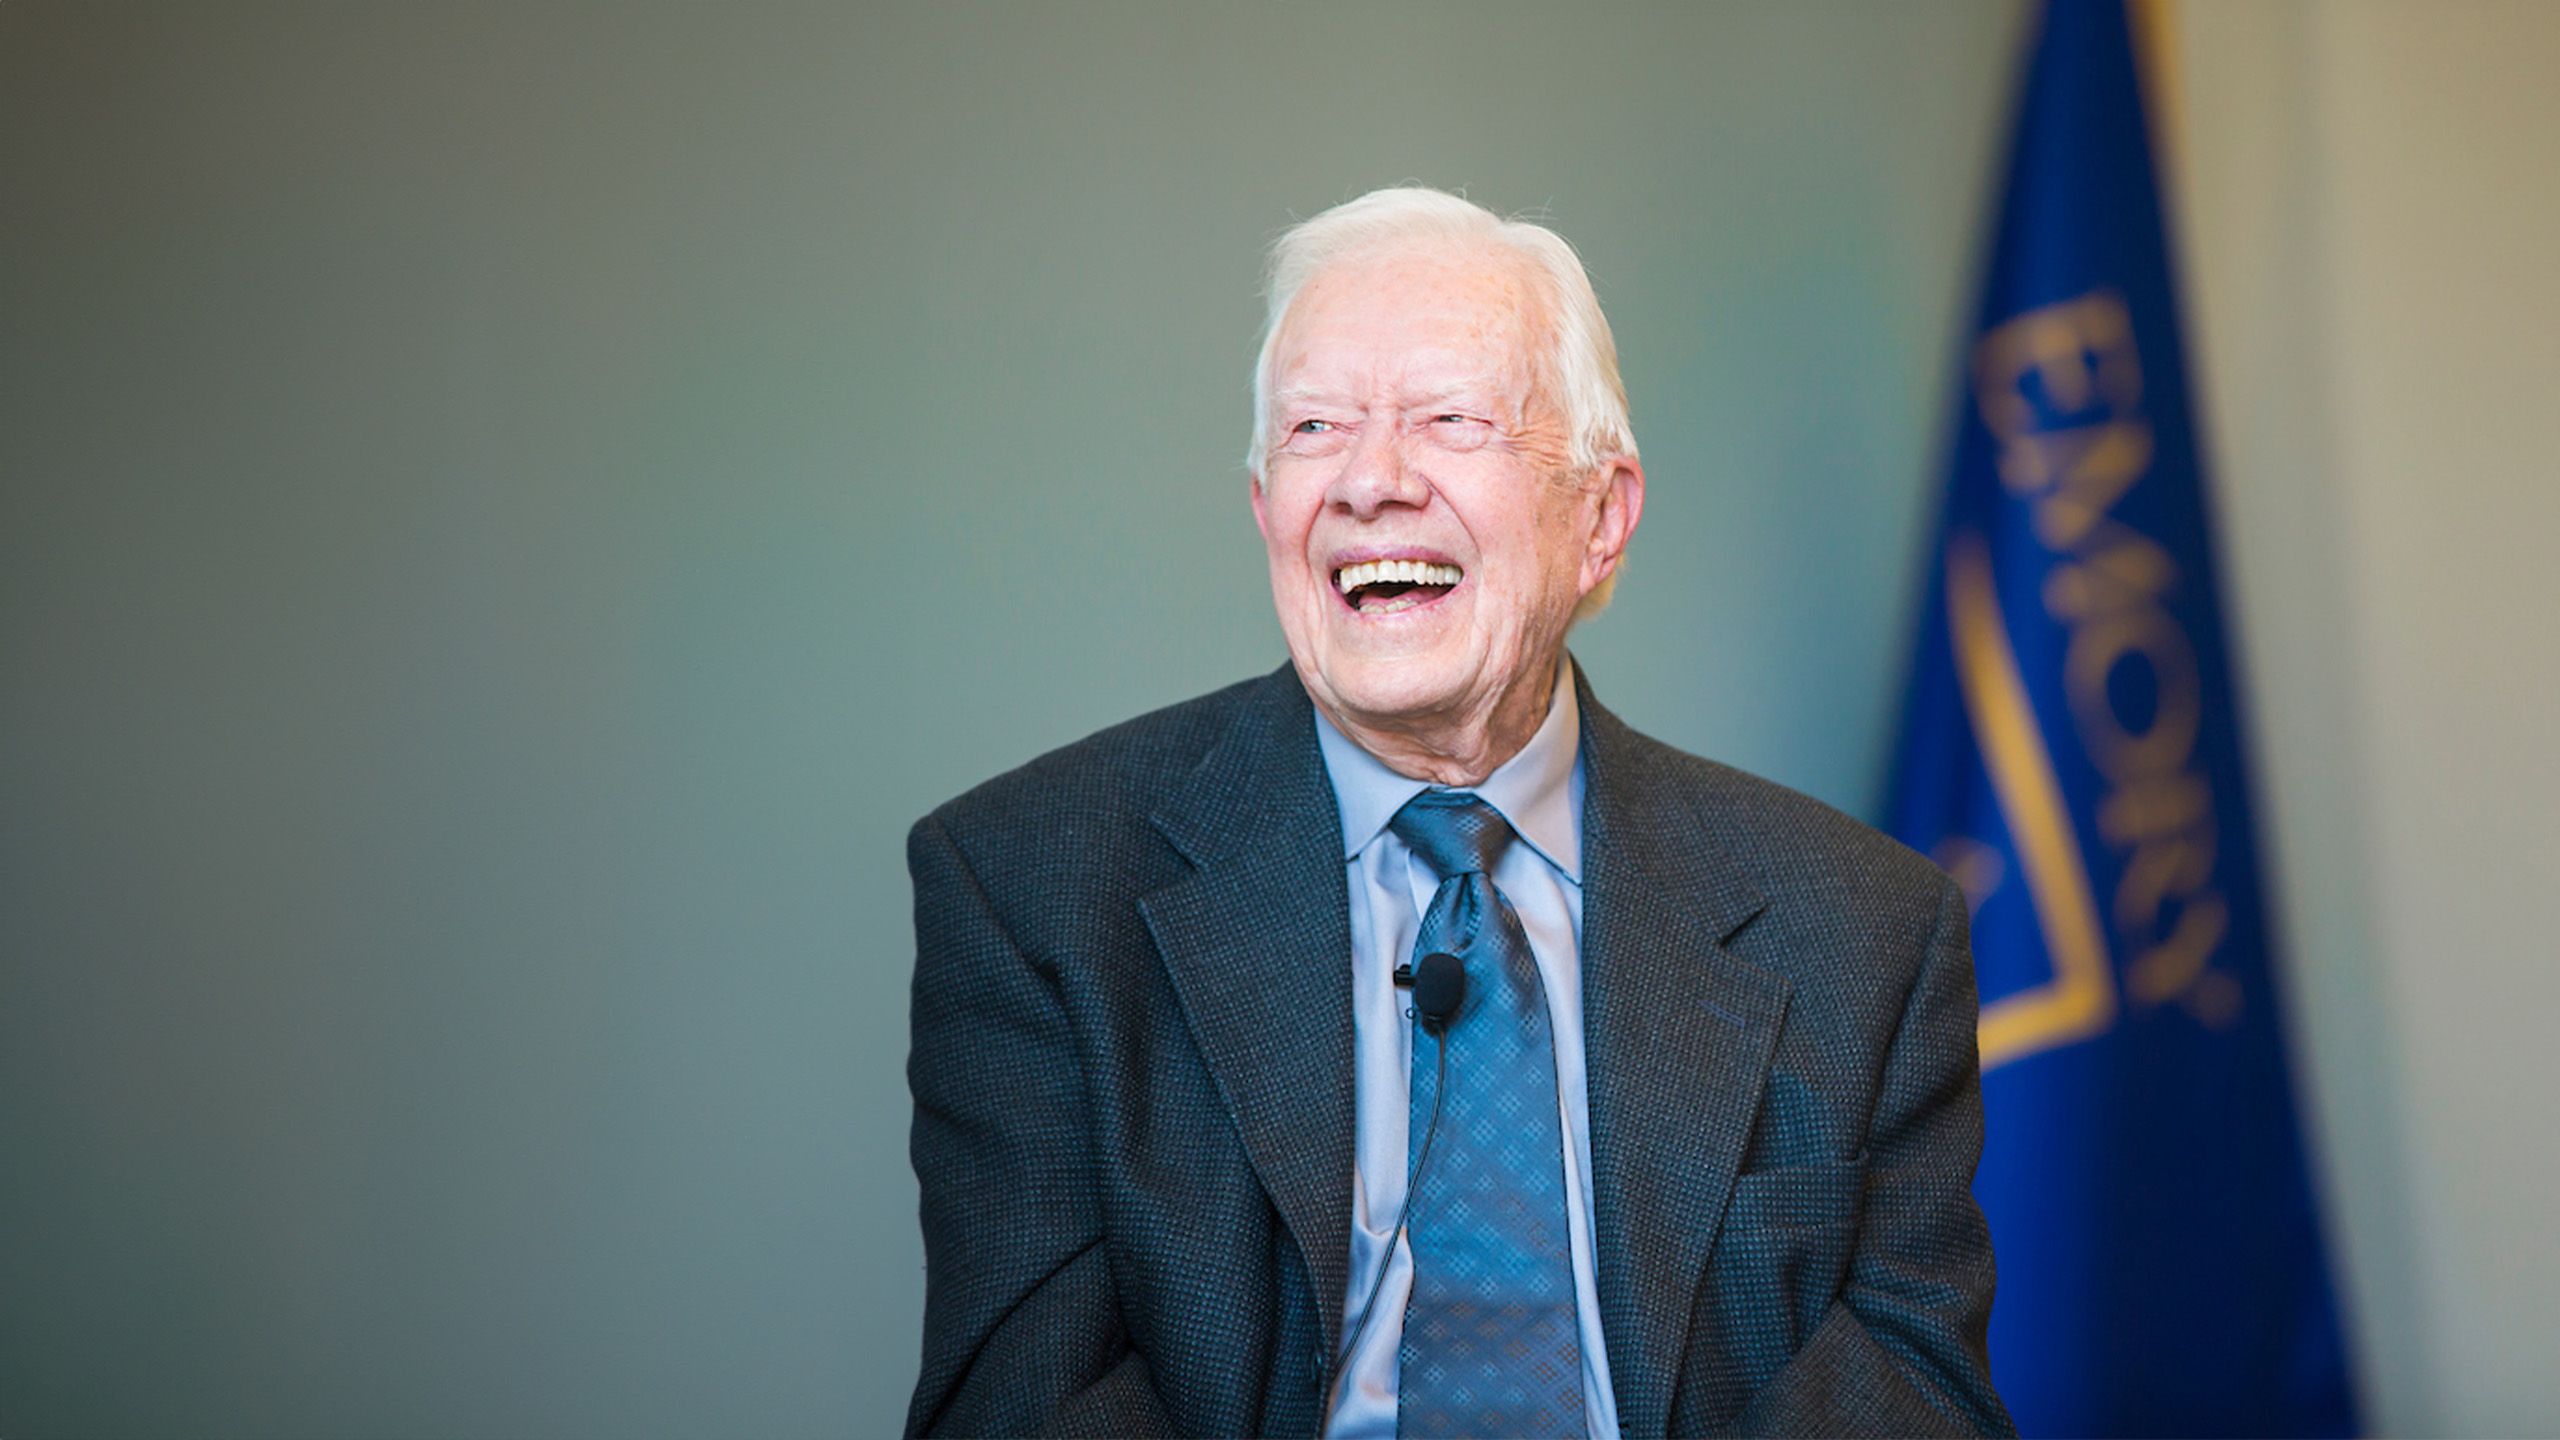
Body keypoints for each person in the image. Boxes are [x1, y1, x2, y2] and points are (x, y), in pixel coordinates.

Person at [904, 187, 2011, 1439]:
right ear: (1266, 508)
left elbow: (1912, 1396)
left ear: (1600, 518)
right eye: (1314, 427)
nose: (1371, 480)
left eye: (1449, 419)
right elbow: (1026, 1407)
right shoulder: (1033, 890)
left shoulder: (1862, 929)